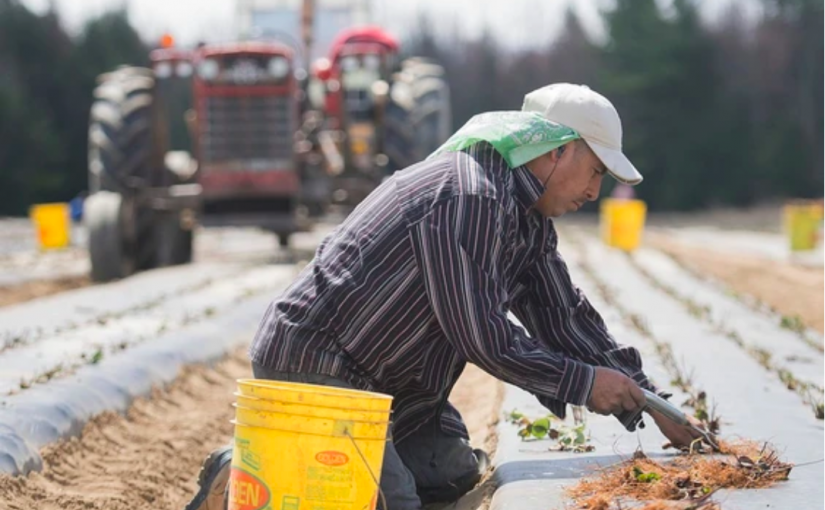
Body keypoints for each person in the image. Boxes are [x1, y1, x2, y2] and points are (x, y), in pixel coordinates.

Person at [185, 83, 710, 510]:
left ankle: (289, 457)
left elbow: (563, 315)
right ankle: (249, 470)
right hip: (321, 367)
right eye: (595, 170)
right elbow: (481, 334)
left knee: (452, 475)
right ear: (557, 150)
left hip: (390, 390)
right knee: (390, 504)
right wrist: (583, 383)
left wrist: (651, 399)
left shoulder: (527, 221)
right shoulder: (468, 194)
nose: (595, 192)